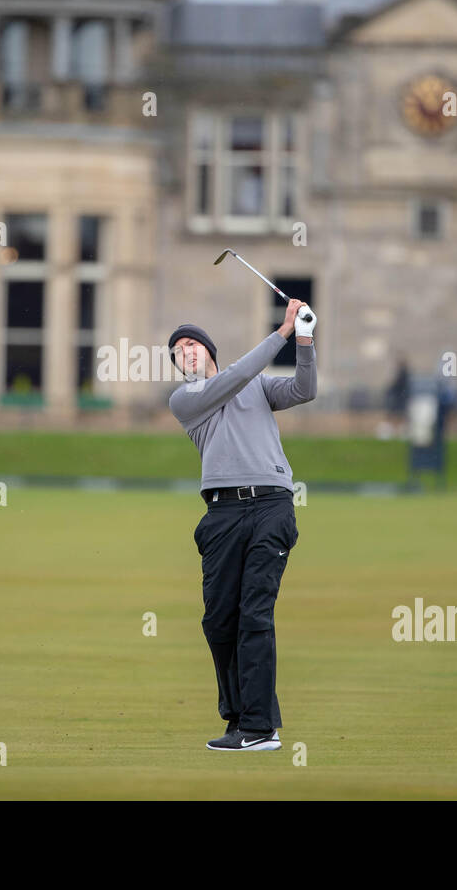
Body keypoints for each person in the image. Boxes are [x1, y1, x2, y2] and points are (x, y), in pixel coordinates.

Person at [168, 299, 317, 752]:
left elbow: (303, 390)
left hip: (270, 506)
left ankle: (260, 728)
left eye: (192, 344)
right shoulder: (186, 399)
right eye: (177, 350)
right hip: (222, 515)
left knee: (254, 614)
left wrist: (305, 340)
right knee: (219, 621)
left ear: (209, 350)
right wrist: (282, 332)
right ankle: (238, 721)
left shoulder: (257, 386)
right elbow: (235, 377)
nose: (186, 351)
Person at [386, 359, 410, 425]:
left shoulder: (403, 373)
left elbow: (399, 384)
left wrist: (391, 388)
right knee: (397, 413)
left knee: (399, 413)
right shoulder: (403, 372)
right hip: (400, 396)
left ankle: (398, 427)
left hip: (400, 396)